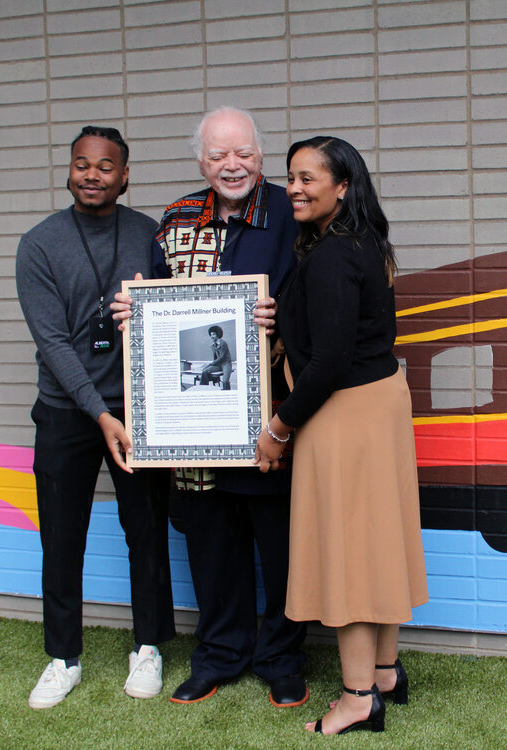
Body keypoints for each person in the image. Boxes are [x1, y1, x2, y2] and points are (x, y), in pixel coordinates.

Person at [114, 106, 307, 708]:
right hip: (191, 425)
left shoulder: (291, 211)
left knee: (281, 548)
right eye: (219, 154)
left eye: (244, 153)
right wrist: (132, 314)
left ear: (260, 155)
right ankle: (220, 653)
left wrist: (285, 318)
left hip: (271, 419)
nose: (233, 165)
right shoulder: (175, 218)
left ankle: (280, 658)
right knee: (210, 544)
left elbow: (323, 300)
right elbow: (158, 307)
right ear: (201, 159)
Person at [254, 136, 428, 735]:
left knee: (353, 556)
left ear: (343, 186)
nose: (295, 188)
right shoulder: (364, 245)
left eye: (308, 178)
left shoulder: (331, 255)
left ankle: (358, 698)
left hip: (345, 410)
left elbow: (326, 362)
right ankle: (383, 672)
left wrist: (277, 428)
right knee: (376, 545)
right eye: (291, 177)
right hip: (377, 405)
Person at [16, 126, 175, 709]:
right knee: (61, 539)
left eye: (105, 166)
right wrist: (98, 413)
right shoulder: (38, 244)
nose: (92, 174)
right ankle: (63, 658)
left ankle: (149, 647)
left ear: (124, 175)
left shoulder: (150, 236)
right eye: (82, 164)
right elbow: (53, 344)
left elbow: (177, 313)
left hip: (139, 411)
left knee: (146, 533)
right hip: (65, 413)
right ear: (69, 169)